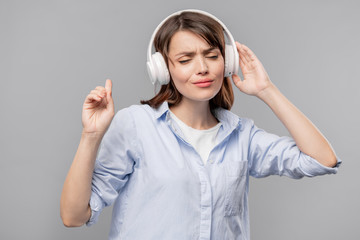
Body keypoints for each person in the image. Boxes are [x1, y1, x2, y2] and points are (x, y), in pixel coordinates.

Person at [60, 9, 341, 240]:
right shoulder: (136, 125)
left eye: (212, 55)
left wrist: (267, 90)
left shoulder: (243, 136)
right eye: (185, 59)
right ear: (163, 68)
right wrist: (91, 136)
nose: (202, 68)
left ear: (227, 61)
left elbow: (322, 160)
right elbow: (74, 216)